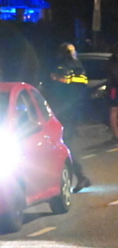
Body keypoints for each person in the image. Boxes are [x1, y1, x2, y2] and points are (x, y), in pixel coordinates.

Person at [47, 43, 91, 190]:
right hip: (75, 109)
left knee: (65, 144)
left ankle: (80, 177)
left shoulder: (61, 68)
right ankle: (77, 178)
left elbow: (56, 90)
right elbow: (83, 87)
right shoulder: (79, 67)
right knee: (66, 142)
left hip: (63, 110)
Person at [106, 48, 118, 142]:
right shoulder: (113, 62)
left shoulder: (111, 61)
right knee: (114, 111)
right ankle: (116, 135)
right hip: (114, 89)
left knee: (114, 111)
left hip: (113, 88)